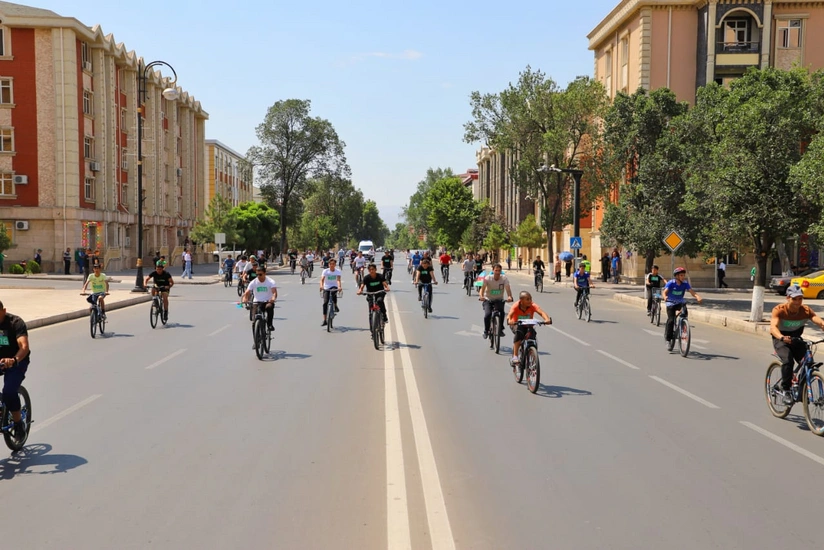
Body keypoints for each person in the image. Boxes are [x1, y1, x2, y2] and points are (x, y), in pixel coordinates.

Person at [769, 284, 824, 405]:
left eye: (800, 298)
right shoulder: (779, 310)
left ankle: (802, 389)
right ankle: (786, 390)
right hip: (781, 339)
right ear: (788, 298)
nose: (797, 302)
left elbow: (818, 320)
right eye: (794, 299)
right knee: (788, 361)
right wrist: (782, 337)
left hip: (796, 339)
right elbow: (773, 328)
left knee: (808, 363)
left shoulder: (805, 310)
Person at [0, 301, 31, 439]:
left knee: (9, 391)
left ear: (4, 311)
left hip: (17, 361)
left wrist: (14, 360)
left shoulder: (16, 323)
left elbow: (24, 347)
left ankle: (18, 424)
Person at [506, 291, 551, 366]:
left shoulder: (532, 305)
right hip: (516, 324)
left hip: (528, 325)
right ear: (521, 300)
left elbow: (542, 312)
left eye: (530, 299)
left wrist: (547, 319)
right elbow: (509, 315)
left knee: (532, 335)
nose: (530, 301)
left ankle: (531, 352)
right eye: (527, 299)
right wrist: (510, 321)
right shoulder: (516, 306)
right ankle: (515, 356)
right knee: (519, 333)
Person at [661, 267, 703, 343]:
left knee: (685, 313)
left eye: (683, 275)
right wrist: (665, 297)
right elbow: (664, 292)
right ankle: (668, 338)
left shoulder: (685, 283)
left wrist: (697, 296)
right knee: (671, 320)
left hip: (680, 302)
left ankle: (683, 326)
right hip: (670, 303)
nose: (683, 277)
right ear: (676, 276)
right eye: (681, 275)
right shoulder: (671, 283)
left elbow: (691, 292)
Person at [479, 263, 514, 339]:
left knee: (502, 313)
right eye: (496, 270)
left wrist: (509, 296)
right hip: (488, 299)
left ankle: (500, 329)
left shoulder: (504, 278)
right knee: (487, 315)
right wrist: (481, 296)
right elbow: (482, 288)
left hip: (499, 300)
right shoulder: (488, 278)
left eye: (499, 271)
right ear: (493, 270)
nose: (497, 272)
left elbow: (508, 288)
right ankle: (486, 330)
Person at [242, 265, 277, 331]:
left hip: (267, 301)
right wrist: (245, 298)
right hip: (257, 302)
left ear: (265, 273)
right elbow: (247, 292)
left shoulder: (271, 282)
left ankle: (270, 324)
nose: (258, 276)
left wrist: (273, 298)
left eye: (260, 274)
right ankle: (256, 334)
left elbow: (274, 292)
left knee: (269, 307)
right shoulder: (253, 282)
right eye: (257, 274)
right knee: (254, 320)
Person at [319, 258, 343, 327]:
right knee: (325, 303)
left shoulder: (337, 271)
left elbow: (338, 280)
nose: (332, 265)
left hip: (334, 286)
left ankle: (335, 305)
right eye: (330, 264)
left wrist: (339, 287)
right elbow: (322, 280)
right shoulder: (325, 271)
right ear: (328, 264)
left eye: (333, 264)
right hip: (326, 287)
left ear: (335, 265)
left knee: (333, 294)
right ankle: (324, 320)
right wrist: (321, 286)